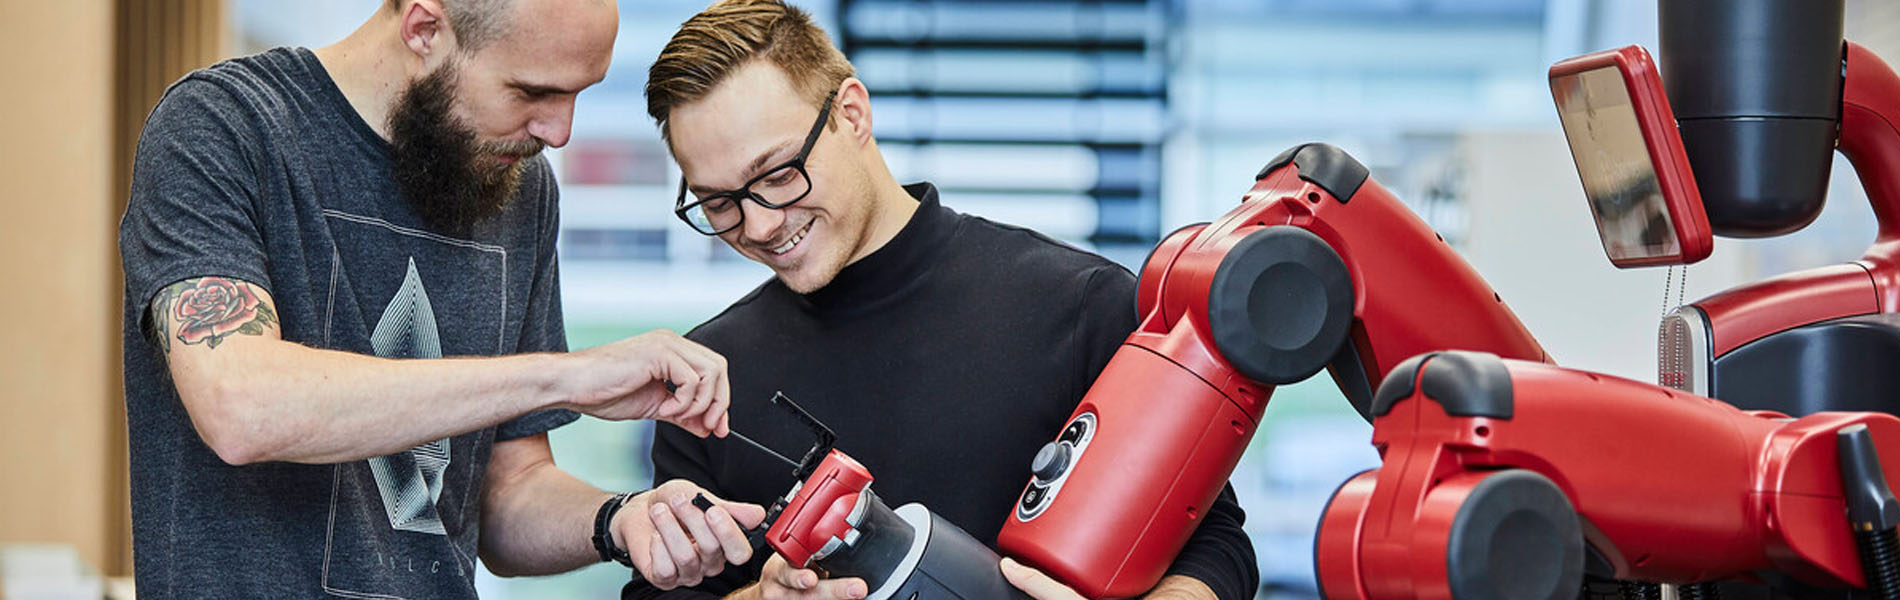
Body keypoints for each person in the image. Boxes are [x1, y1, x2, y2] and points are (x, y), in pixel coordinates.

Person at [119, 0, 764, 597]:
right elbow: (240, 407)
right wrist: (566, 377)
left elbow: (508, 493)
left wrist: (621, 519)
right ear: (425, 28)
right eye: (532, 92)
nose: (559, 131)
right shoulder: (222, 126)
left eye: (578, 93)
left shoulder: (519, 185)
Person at [625, 1, 1259, 599]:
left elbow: (1212, 544)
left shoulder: (1079, 305)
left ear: (852, 114)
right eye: (719, 203)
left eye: (778, 174)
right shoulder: (709, 377)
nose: (760, 226)